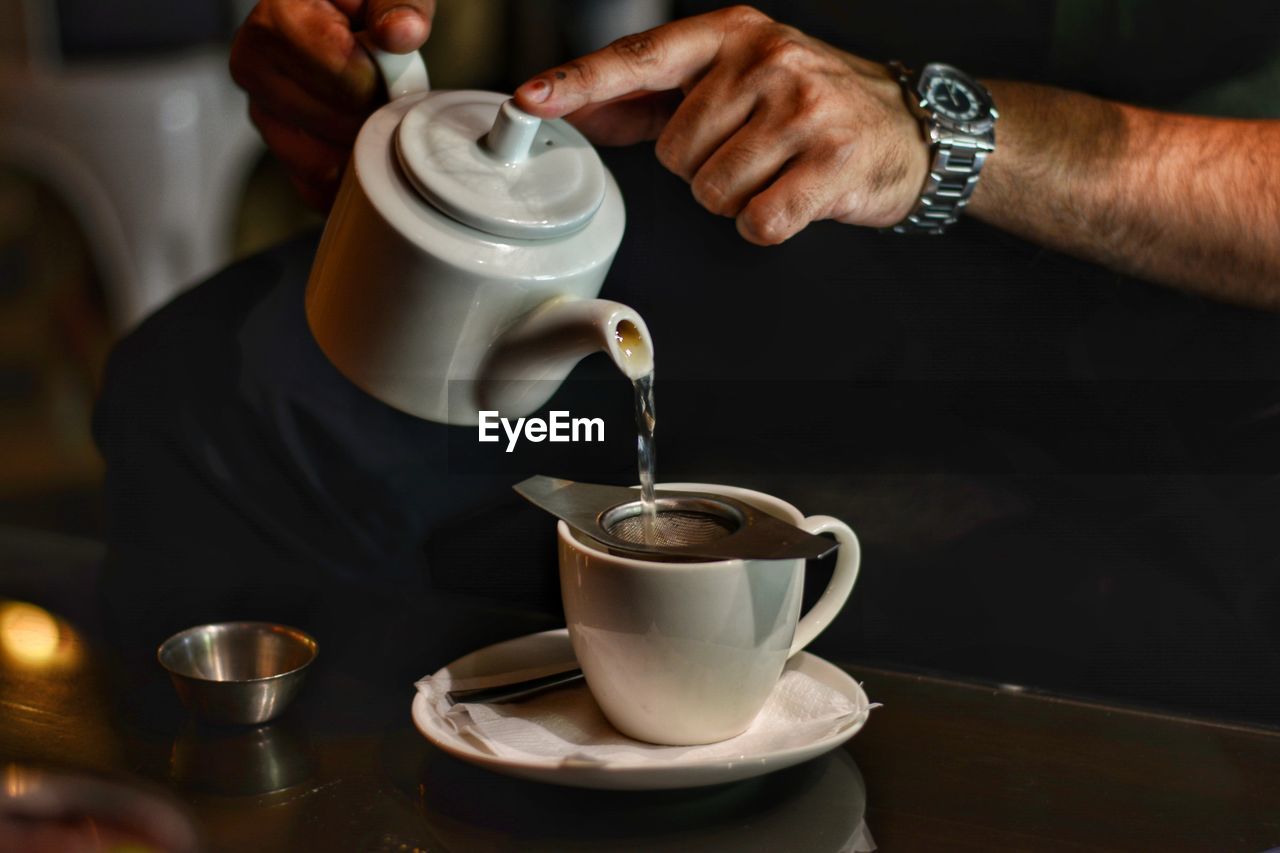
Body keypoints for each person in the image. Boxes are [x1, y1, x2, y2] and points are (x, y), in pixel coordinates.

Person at [96, 1, 1280, 720]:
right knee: (222, 398)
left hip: (1207, 308)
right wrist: (370, 35)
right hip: (783, 205)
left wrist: (941, 136)